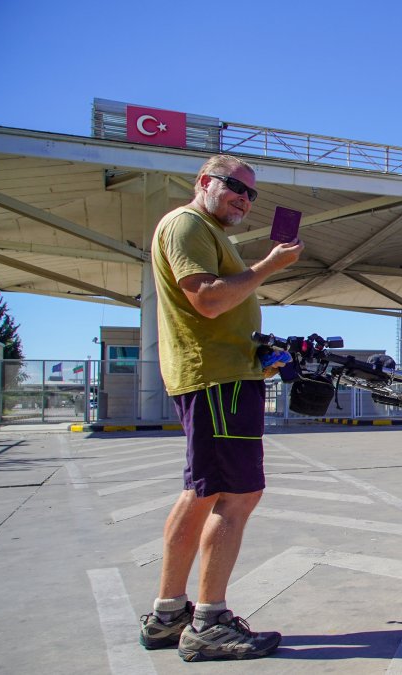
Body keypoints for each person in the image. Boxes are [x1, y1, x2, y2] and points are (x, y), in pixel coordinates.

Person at [138, 155, 302, 661]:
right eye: (236, 187)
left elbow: (218, 309)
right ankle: (208, 622)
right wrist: (268, 266)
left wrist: (258, 356)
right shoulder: (187, 225)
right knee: (238, 494)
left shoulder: (208, 232)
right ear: (205, 182)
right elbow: (207, 300)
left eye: (252, 194)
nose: (244, 199)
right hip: (218, 382)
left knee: (202, 492)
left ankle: (169, 614)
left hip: (224, 376)